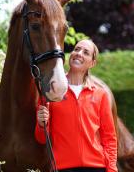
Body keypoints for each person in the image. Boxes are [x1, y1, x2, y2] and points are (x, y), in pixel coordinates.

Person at [35, 39, 117, 172]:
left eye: (86, 52)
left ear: (92, 63)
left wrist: (112, 169)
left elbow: (109, 138)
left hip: (96, 167)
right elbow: (42, 138)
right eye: (77, 49)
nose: (79, 53)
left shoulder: (100, 95)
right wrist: (40, 123)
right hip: (63, 168)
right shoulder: (51, 91)